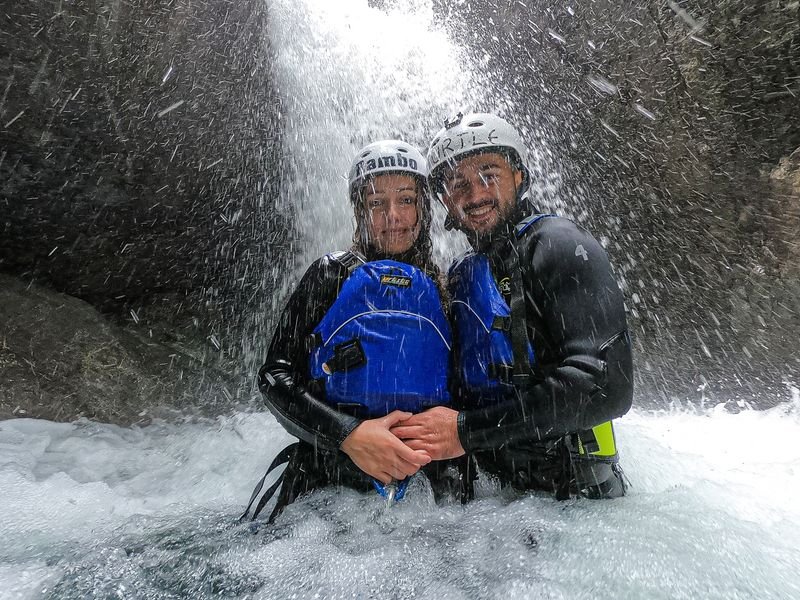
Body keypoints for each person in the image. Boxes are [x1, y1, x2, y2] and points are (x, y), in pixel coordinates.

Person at [390, 112, 633, 499]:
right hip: (495, 504)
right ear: (444, 202)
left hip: (576, 501)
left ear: (518, 176)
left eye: (489, 173)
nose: (474, 194)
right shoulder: (461, 275)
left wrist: (466, 432)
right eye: (456, 183)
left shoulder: (559, 245)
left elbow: (607, 387)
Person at [244, 140, 466, 522]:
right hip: (330, 481)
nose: (392, 216)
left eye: (406, 200)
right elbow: (274, 377)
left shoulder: (448, 289)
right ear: (359, 210)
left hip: (428, 490)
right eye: (376, 203)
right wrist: (349, 434)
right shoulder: (330, 275)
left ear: (424, 208)